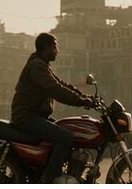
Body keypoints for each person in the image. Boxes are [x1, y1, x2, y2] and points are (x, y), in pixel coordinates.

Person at [10, 32, 93, 184]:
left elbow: (61, 84)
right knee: (65, 137)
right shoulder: (37, 67)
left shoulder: (41, 65)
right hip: (27, 117)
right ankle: (49, 179)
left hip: (36, 116)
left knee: (68, 130)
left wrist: (85, 96)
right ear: (46, 47)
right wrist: (81, 101)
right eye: (55, 46)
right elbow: (55, 89)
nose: (57, 50)